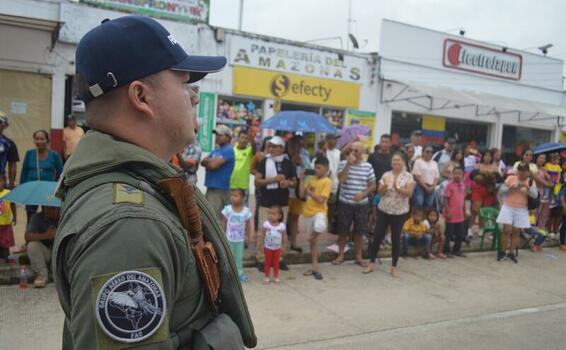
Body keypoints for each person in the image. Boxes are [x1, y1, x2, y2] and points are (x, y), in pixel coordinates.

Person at [52, 16, 254, 349]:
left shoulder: (138, 189)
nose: (192, 97)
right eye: (185, 82)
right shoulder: (129, 227)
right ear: (141, 97)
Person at [363, 152, 415, 277]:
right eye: (394, 161)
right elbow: (380, 192)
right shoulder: (386, 175)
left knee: (396, 239)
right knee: (377, 236)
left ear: (403, 162)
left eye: (398, 161)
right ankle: (371, 262)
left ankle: (394, 266)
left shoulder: (408, 177)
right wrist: (384, 186)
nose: (396, 163)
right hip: (384, 210)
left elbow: (409, 193)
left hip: (399, 212)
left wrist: (398, 188)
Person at [333, 142, 376, 266]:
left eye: (356, 150)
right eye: (351, 150)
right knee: (343, 230)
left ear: (362, 152)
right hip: (345, 202)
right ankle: (340, 254)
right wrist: (348, 164)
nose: (353, 152)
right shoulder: (342, 164)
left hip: (361, 204)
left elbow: (373, 185)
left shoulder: (368, 167)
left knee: (359, 230)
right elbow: (341, 179)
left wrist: (363, 194)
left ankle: (358, 256)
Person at [20, 130, 63, 223]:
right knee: (30, 215)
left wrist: (55, 188)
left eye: (42, 139)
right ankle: (31, 234)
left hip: (47, 191)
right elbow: (24, 172)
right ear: (34, 140)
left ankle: (46, 236)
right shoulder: (29, 154)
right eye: (37, 139)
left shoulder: (54, 155)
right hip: (31, 190)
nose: (39, 141)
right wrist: (22, 190)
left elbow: (61, 173)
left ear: (47, 141)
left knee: (49, 216)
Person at [497, 164, 538, 263]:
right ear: (517, 171)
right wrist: (512, 187)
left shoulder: (531, 181)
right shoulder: (511, 178)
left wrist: (527, 188)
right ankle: (502, 252)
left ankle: (511, 253)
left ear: (528, 172)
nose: (522, 173)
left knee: (516, 231)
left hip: (522, 209)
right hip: (508, 206)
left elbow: (535, 195)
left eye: (524, 171)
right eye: (520, 171)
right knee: (507, 230)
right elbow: (501, 191)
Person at [299, 156, 331, 280]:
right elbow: (302, 194)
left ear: (326, 169)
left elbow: (320, 199)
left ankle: (313, 236)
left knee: (320, 226)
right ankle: (314, 267)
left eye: (319, 168)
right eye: (315, 167)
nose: (316, 170)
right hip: (307, 213)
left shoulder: (327, 181)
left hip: (319, 212)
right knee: (313, 243)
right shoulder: (311, 179)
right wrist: (302, 180)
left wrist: (309, 192)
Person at [202, 124, 235, 219]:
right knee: (209, 216)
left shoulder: (228, 150)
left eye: (220, 135)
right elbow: (203, 162)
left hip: (220, 189)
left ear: (228, 137)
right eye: (216, 135)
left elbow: (212, 165)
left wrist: (210, 162)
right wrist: (210, 162)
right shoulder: (217, 150)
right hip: (212, 188)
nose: (217, 137)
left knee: (214, 218)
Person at [221, 189, 253, 282]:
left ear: (242, 198)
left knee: (239, 258)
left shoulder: (246, 211)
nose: (233, 198)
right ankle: (228, 274)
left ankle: (239, 273)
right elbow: (223, 223)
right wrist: (222, 235)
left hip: (240, 240)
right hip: (229, 239)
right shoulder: (227, 209)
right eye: (232, 195)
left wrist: (249, 236)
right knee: (229, 257)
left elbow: (248, 225)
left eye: (236, 196)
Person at [286, 134, 311, 252]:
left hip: (298, 194)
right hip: (285, 193)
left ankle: (294, 243)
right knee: (283, 216)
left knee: (295, 217)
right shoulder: (284, 157)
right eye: (291, 145)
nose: (293, 148)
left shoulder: (304, 158)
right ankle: (282, 243)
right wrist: (290, 163)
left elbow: (310, 172)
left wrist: (301, 163)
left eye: (296, 146)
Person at [25, 206, 59, 288]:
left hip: (59, 251)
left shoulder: (66, 216)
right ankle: (42, 275)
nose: (52, 211)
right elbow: (27, 237)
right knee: (32, 245)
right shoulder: (36, 217)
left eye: (55, 208)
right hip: (45, 252)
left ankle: (59, 274)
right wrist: (46, 235)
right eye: (48, 208)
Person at [469, 150, 502, 234]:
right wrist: (483, 173)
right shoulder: (478, 165)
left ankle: (481, 228)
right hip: (478, 189)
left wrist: (491, 175)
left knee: (483, 211)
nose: (487, 157)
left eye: (489, 156)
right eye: (485, 155)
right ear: (482, 157)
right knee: (475, 210)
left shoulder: (494, 167)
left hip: (489, 191)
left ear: (491, 157)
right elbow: (472, 176)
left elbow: (499, 179)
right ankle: (469, 228)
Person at [443, 166, 467, 258]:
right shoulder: (449, 185)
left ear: (463, 175)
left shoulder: (463, 185)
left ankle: (457, 250)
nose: (457, 176)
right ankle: (446, 250)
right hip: (451, 213)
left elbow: (463, 198)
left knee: (460, 233)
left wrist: (465, 210)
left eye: (459, 174)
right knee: (449, 233)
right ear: (453, 174)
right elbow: (445, 199)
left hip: (460, 214)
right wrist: (447, 211)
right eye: (455, 173)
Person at [259, 206, 287, 284]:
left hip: (277, 248)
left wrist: (283, 246)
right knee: (267, 262)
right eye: (270, 213)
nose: (271, 215)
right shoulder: (266, 224)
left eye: (274, 214)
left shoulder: (282, 226)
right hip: (267, 247)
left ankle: (276, 276)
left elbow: (284, 236)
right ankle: (266, 276)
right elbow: (262, 235)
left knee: (276, 263)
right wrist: (261, 245)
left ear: (279, 216)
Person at [251, 136, 272, 231]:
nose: (269, 145)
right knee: (259, 206)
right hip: (260, 185)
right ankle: (257, 228)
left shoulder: (275, 156)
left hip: (271, 185)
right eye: (267, 143)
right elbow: (251, 169)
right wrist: (260, 174)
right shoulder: (259, 155)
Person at [230, 129, 256, 202]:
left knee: (243, 211)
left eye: (246, 138)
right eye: (242, 137)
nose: (244, 140)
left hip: (243, 187)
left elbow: (254, 149)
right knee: (229, 210)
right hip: (231, 185)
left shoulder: (249, 151)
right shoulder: (231, 150)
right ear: (238, 138)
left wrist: (252, 139)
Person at [324, 134, 341, 233]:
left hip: (335, 184)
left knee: (332, 206)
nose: (333, 141)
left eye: (334, 139)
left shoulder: (338, 153)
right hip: (324, 183)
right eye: (330, 139)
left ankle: (330, 223)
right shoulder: (323, 152)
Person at [0, 112, 19, 189]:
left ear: (6, 125)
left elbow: (12, 164)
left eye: (0, 122)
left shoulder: (9, 144)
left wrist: (11, 184)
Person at [533, 153, 552, 230]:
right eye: (540, 158)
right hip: (535, 191)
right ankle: (532, 229)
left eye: (544, 158)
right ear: (536, 158)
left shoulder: (544, 169)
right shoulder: (533, 167)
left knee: (545, 212)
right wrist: (548, 184)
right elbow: (538, 179)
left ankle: (541, 229)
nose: (542, 160)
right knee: (535, 211)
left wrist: (548, 177)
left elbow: (550, 180)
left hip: (544, 192)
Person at [0, 176, 16, 261]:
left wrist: (15, 217)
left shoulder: (8, 193)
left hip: (6, 224)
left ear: (5, 182)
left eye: (0, 181)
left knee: (6, 241)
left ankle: (6, 256)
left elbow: (13, 205)